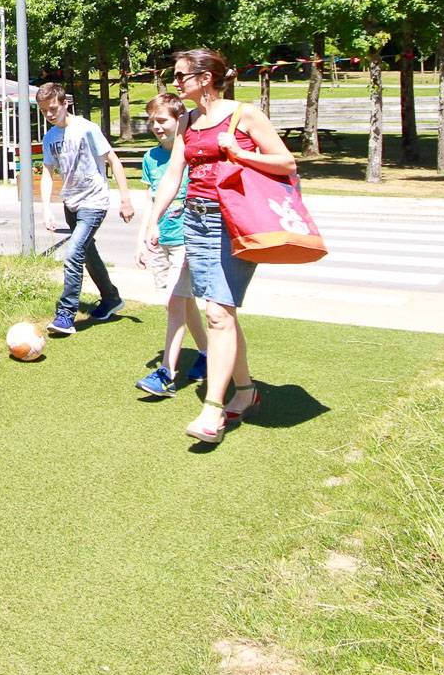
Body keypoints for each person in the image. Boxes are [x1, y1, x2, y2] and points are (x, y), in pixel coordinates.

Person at [140, 48, 298, 443]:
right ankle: (245, 392)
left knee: (217, 314)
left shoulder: (245, 115)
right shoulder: (189, 120)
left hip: (233, 222)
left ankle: (213, 411)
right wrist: (153, 221)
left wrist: (240, 151)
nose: (175, 82)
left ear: (205, 78)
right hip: (195, 220)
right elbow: (174, 172)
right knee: (221, 314)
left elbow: (286, 162)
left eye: (180, 76)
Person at [37, 83, 136, 335]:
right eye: (44, 110)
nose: (49, 114)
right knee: (87, 253)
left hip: (94, 202)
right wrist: (46, 208)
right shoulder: (50, 137)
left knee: (73, 253)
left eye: (52, 108)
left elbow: (113, 160)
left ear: (64, 103)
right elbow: (47, 172)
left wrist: (125, 198)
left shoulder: (86, 129)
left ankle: (65, 315)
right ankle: (111, 298)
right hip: (71, 203)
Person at [133, 92, 208, 397]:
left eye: (162, 120)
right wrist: (141, 240)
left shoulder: (192, 154)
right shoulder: (150, 158)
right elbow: (150, 202)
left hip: (186, 240)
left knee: (174, 302)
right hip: (160, 240)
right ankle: (208, 353)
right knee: (184, 302)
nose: (156, 126)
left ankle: (166, 373)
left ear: (180, 120)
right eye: (152, 121)